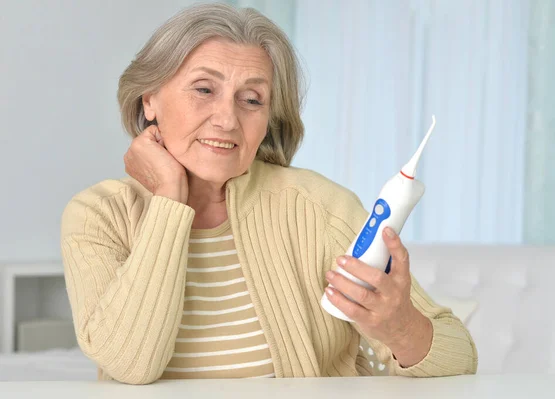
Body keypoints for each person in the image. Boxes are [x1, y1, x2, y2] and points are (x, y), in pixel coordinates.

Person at [60, 3, 477, 384]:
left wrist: (400, 327)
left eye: (252, 99)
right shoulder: (97, 216)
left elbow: (458, 356)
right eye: (204, 89)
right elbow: (130, 365)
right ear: (149, 99)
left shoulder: (319, 207)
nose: (227, 119)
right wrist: (170, 198)